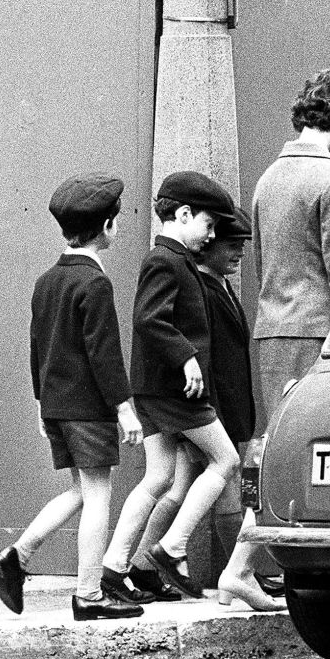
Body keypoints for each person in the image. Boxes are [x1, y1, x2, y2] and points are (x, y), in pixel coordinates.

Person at [0, 176, 145, 621]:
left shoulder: (47, 280)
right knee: (98, 496)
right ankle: (89, 594)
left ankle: (17, 556)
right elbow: (105, 353)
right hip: (87, 409)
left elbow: (36, 344)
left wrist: (41, 402)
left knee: (79, 490)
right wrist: (124, 408)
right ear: (109, 226)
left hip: (57, 407)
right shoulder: (95, 284)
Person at [128, 207, 283, 610]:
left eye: (242, 247)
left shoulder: (219, 286)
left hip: (215, 404)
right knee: (227, 487)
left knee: (180, 488)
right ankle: (240, 571)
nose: (239, 255)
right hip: (209, 405)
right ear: (208, 246)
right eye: (231, 246)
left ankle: (145, 564)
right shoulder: (202, 288)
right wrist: (212, 409)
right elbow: (207, 356)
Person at [102, 171, 239, 600]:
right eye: (209, 224)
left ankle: (114, 568)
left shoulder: (172, 259)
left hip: (155, 390)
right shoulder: (165, 259)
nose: (212, 234)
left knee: (158, 479)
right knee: (226, 461)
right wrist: (187, 359)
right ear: (183, 214)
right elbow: (149, 318)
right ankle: (171, 547)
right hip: (173, 391)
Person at [253, 69, 330, 419]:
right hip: (322, 338)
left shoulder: (268, 178)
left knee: (285, 444)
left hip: (272, 333)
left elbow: (263, 267)